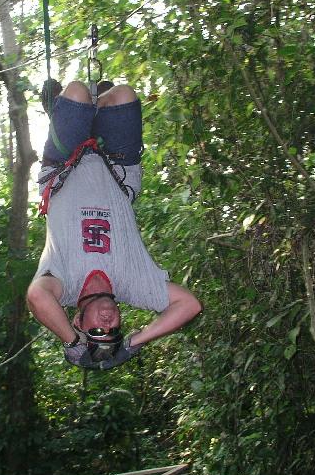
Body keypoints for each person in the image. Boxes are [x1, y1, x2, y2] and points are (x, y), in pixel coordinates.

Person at [26, 80, 202, 370]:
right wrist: (135, 342)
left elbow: (36, 297)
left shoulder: (63, 286)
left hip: (63, 166)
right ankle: (87, 109)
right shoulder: (133, 285)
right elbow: (190, 305)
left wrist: (71, 342)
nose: (107, 325)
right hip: (117, 167)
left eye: (96, 331)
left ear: (78, 321)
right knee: (123, 93)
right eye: (114, 332)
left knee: (77, 92)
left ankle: (67, 108)